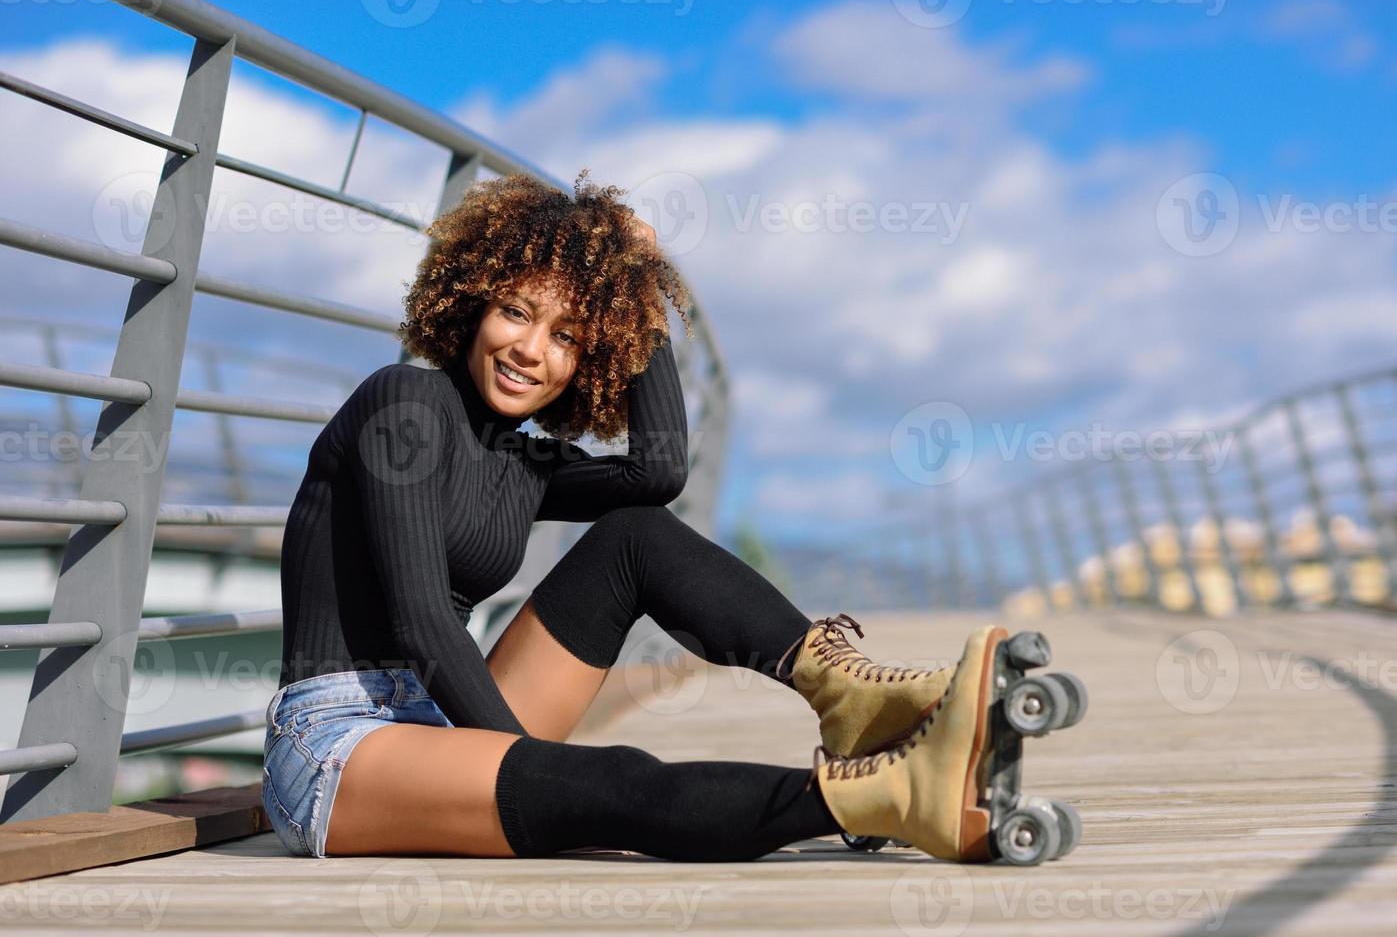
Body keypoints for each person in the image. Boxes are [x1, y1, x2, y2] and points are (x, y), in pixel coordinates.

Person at [261, 170, 999, 863]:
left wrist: (640, 287)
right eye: (514, 312)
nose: (529, 350)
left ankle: (850, 699)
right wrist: (532, 767)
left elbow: (656, 474)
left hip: (438, 716)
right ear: (470, 303)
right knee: (607, 780)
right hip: (336, 745)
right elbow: (418, 618)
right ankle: (895, 797)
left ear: (592, 358)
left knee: (634, 536)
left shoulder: (522, 462)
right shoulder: (404, 403)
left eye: (566, 337)